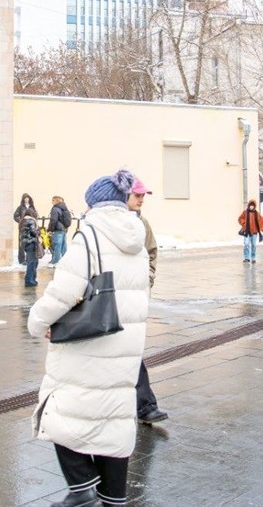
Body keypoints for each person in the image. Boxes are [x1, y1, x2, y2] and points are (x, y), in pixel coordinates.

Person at [28, 169, 149, 507]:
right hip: (125, 340)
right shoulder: (136, 239)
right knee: (114, 421)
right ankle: (113, 497)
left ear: (95, 203)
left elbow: (63, 292)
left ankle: (82, 486)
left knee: (60, 410)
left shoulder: (90, 237)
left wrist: (37, 322)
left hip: (89, 342)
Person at [128, 178, 168, 426]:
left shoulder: (142, 223)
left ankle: (144, 406)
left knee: (131, 350)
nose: (141, 199)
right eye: (137, 195)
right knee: (126, 352)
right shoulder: (106, 223)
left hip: (135, 299)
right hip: (111, 299)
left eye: (143, 196)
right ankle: (143, 406)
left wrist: (148, 278)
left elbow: (152, 252)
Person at [47, 195, 72, 266]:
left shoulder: (55, 208)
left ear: (56, 201)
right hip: (64, 229)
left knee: (57, 245)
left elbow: (53, 220)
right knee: (63, 246)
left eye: (53, 200)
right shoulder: (64, 208)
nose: (52, 202)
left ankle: (55, 261)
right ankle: (65, 261)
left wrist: (50, 229)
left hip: (58, 229)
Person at [13, 193, 38, 265]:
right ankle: (21, 260)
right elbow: (15, 216)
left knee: (30, 242)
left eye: (28, 198)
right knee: (21, 243)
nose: (26, 199)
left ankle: (29, 259)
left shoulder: (32, 207)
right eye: (25, 198)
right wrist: (21, 221)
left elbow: (35, 216)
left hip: (31, 227)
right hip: (23, 228)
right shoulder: (20, 207)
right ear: (23, 199)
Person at [21, 214, 42, 287]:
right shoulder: (31, 221)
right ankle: (29, 281)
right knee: (32, 263)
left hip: (26, 244)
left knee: (32, 262)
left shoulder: (23, 221)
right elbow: (34, 232)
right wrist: (39, 232)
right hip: (31, 243)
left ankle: (31, 280)